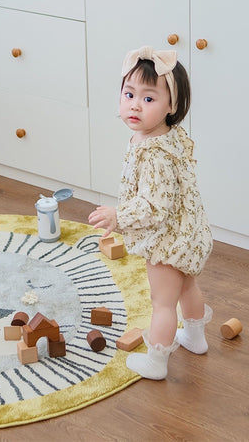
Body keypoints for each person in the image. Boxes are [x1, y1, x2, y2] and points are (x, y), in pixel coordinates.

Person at [88, 46, 213, 380]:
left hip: (167, 240)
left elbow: (153, 206)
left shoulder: (154, 154)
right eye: (129, 94)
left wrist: (118, 216)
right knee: (187, 286)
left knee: (162, 302)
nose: (134, 105)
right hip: (188, 232)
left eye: (148, 99)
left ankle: (156, 361)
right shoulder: (158, 137)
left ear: (171, 106)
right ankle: (196, 337)